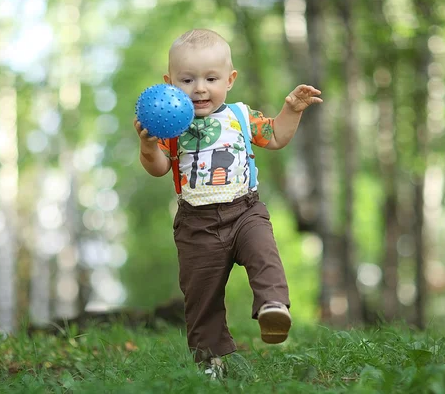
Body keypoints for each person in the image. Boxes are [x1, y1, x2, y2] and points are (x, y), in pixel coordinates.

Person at [133, 28, 322, 375]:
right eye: (187, 80)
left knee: (264, 252)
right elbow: (159, 168)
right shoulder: (171, 125)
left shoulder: (240, 115)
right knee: (200, 295)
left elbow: (276, 135)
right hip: (197, 224)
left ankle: (272, 306)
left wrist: (291, 110)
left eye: (211, 78)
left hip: (244, 210)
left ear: (230, 79)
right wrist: (148, 146)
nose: (199, 88)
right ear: (169, 82)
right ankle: (209, 360)